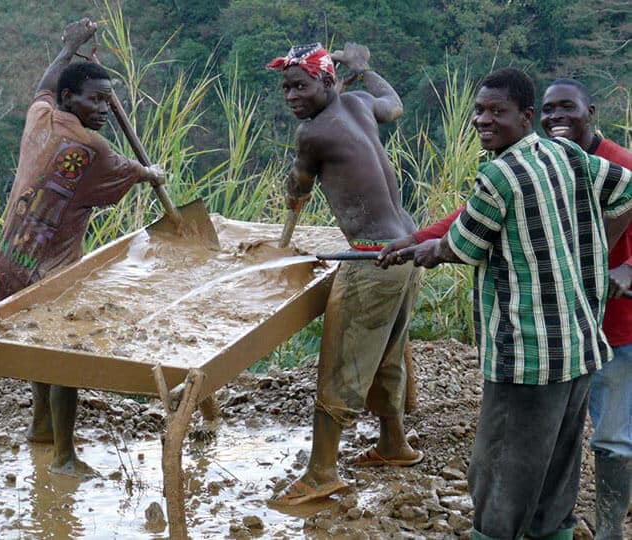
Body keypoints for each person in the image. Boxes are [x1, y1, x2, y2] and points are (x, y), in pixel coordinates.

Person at [378, 68, 632, 539]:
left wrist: (427, 250)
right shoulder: (565, 153)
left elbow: (462, 245)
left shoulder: (498, 174)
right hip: (578, 347)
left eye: (498, 112)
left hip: (527, 356)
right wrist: (591, 249)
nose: (483, 120)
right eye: (479, 111)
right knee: (557, 469)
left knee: (499, 472)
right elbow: (626, 188)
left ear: (526, 117)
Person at [0, 18, 165, 477]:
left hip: (13, 254)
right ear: (72, 99)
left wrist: (68, 48)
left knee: (38, 343)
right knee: (66, 351)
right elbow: (124, 169)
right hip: (50, 266)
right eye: (95, 99)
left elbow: (44, 86)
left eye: (108, 100)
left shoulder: (43, 117)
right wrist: (151, 175)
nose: (104, 108)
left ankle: (41, 427)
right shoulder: (89, 145)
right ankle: (65, 458)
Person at [266, 42, 422, 506]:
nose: (292, 96)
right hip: (407, 248)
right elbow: (393, 104)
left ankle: (320, 473)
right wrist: (365, 69)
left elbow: (300, 183)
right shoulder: (358, 104)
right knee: (386, 352)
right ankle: (393, 443)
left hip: (372, 257)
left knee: (341, 361)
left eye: (301, 85)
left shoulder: (313, 134)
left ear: (328, 81)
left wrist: (292, 191)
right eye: (286, 88)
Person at [541, 79, 632, 540]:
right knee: (561, 432)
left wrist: (630, 269)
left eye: (566, 108)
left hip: (618, 328)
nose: (555, 117)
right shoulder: (548, 164)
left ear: (590, 112)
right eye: (547, 109)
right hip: (568, 328)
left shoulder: (620, 165)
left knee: (613, 435)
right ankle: (557, 522)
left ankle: (611, 531)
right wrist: (420, 241)